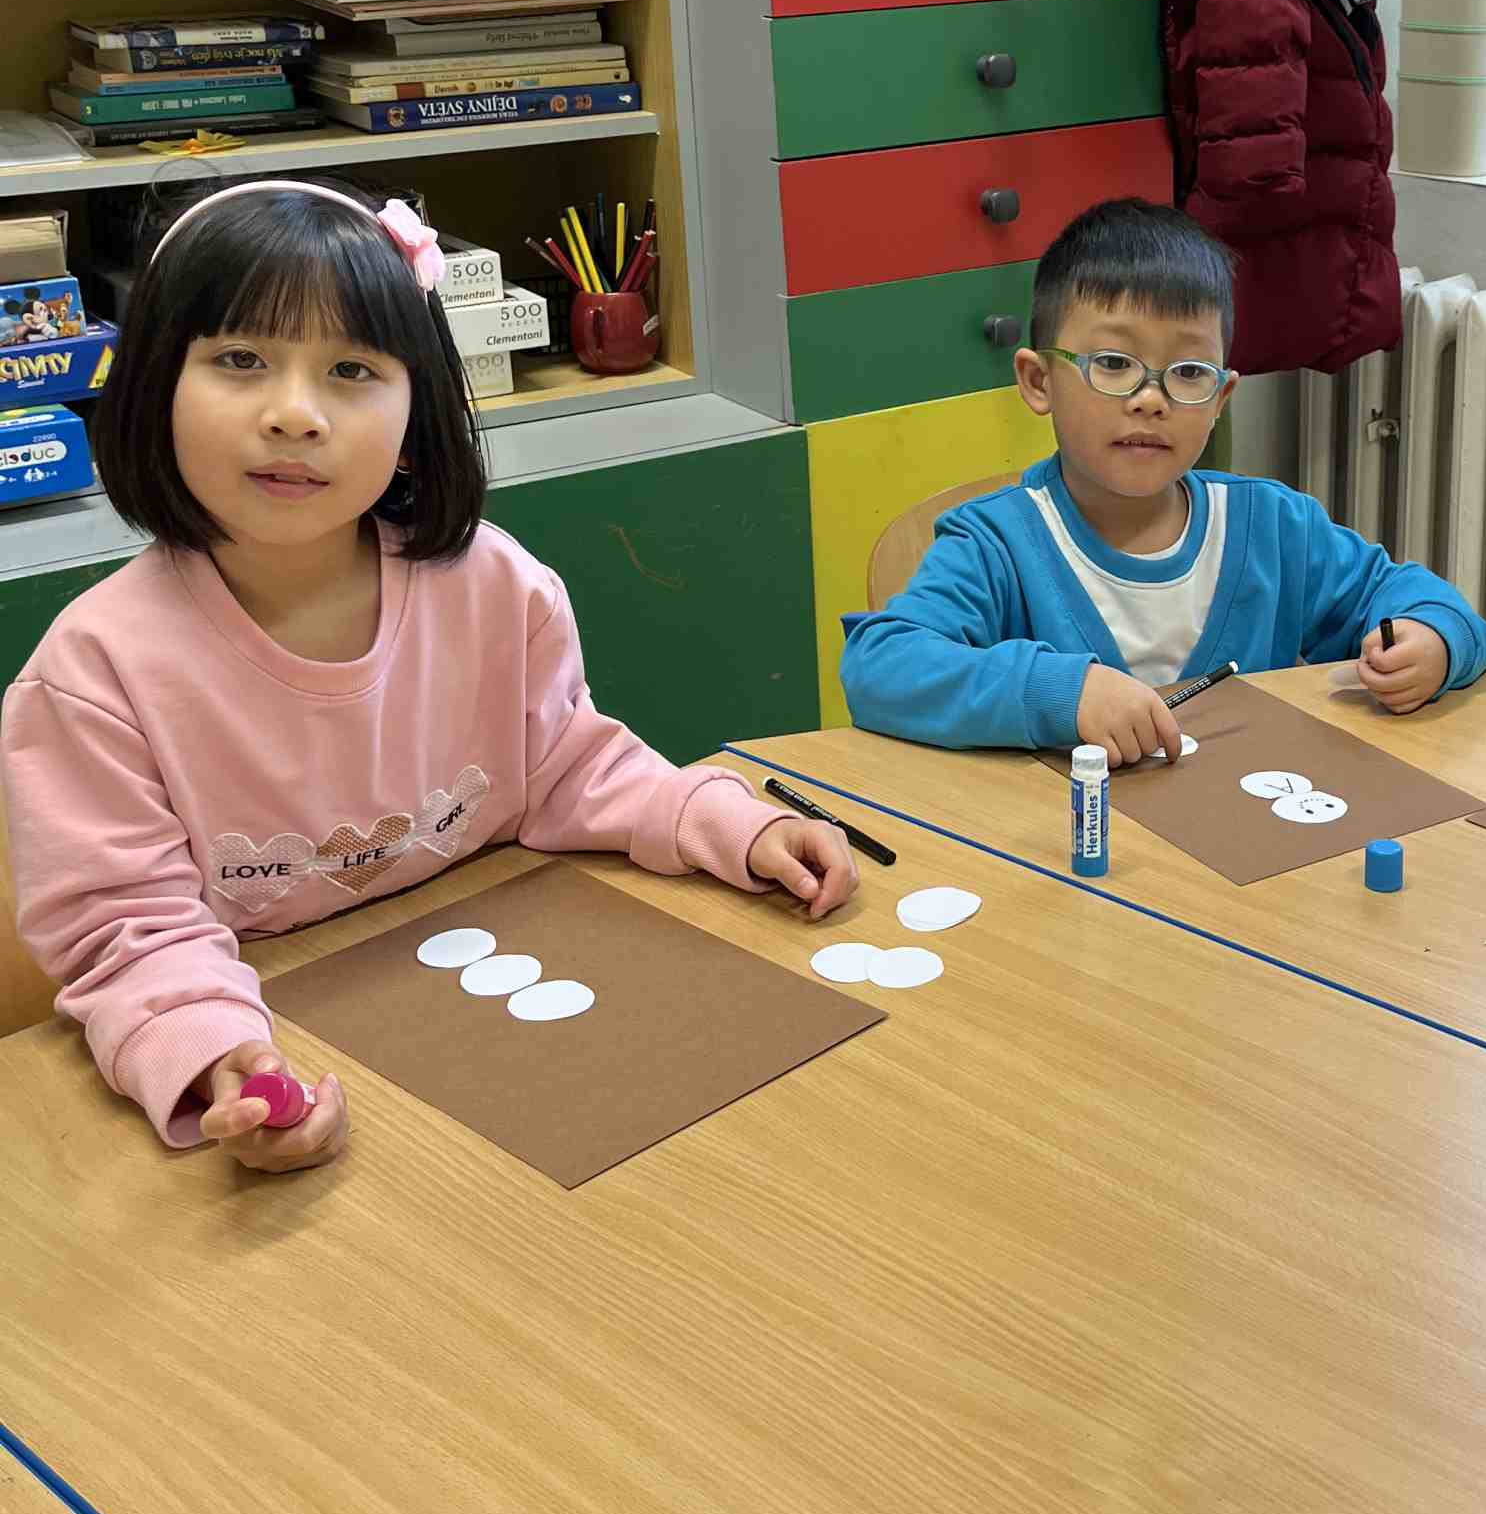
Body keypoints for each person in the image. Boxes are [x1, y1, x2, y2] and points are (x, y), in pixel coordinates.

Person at [1, 177, 854, 1172]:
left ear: (419, 409)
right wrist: (218, 1064)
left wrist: (736, 825)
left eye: (351, 370)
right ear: (154, 382)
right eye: (239, 359)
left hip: (488, 1036)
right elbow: (127, 933)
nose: (294, 414)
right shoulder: (96, 673)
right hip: (283, 1029)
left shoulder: (494, 587)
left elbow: (570, 769)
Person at [841, 198, 1486, 760]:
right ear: (1039, 382)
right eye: (1114, 363)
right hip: (1064, 847)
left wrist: (1434, 641)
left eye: (1187, 373)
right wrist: (1062, 693)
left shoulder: (1273, 528)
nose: (1151, 399)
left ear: (1220, 399)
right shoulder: (998, 542)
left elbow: (1416, 600)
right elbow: (879, 667)